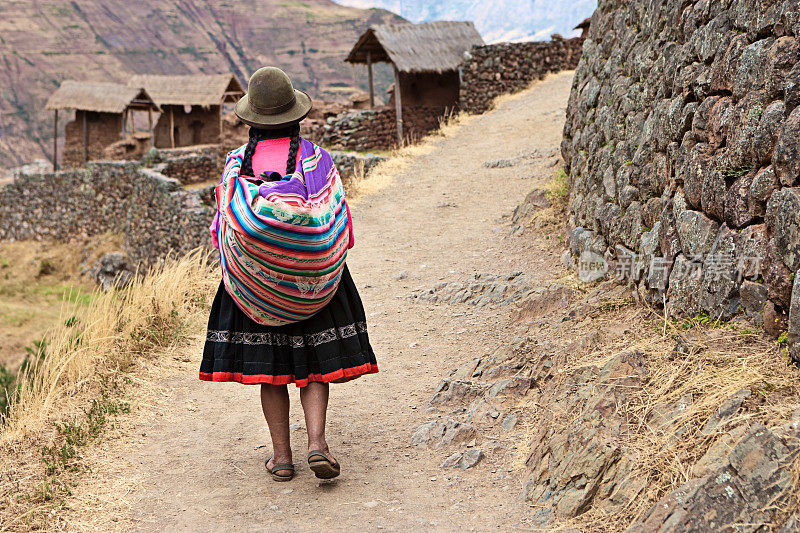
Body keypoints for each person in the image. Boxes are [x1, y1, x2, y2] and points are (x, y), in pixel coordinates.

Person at [199, 67, 378, 482]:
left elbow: (220, 229)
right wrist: (316, 257)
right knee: (314, 367)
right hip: (314, 285)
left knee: (272, 373)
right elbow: (342, 223)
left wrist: (257, 265)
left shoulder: (234, 166)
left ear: (251, 121)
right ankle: (318, 443)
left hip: (254, 289)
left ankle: (281, 457)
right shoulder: (316, 159)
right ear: (295, 115)